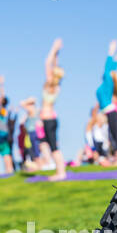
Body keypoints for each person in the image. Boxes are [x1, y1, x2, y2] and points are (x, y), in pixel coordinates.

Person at [96, 40, 117, 163]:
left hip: (111, 112)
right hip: (108, 113)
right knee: (113, 136)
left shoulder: (109, 79)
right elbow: (113, 65)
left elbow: (109, 66)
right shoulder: (107, 82)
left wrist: (111, 50)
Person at [38, 37, 67, 180]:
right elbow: (53, 65)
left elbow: (47, 63)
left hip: (49, 120)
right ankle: (59, 171)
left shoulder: (50, 84)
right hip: (50, 119)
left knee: (54, 147)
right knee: (51, 146)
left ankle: (61, 173)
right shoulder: (56, 86)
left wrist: (53, 48)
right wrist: (57, 53)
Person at [0, 73, 15, 173]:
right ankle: (9, 169)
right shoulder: (4, 109)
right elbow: (2, 97)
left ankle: (9, 170)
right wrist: (1, 85)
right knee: (7, 152)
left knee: (5, 153)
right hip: (5, 132)